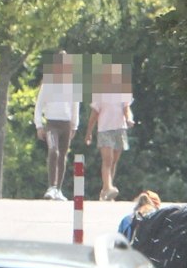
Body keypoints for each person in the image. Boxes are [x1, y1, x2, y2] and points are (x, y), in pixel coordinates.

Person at [35, 52, 80, 201]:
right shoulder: (48, 83)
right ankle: (51, 186)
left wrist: (74, 126)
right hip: (51, 123)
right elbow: (39, 104)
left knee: (63, 155)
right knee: (53, 150)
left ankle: (59, 189)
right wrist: (39, 125)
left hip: (66, 123)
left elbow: (75, 106)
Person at [87, 73, 134, 202]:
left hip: (120, 129)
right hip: (104, 130)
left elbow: (126, 108)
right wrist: (89, 132)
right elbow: (94, 113)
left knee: (114, 161)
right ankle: (108, 187)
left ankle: (105, 191)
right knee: (108, 159)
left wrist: (129, 119)